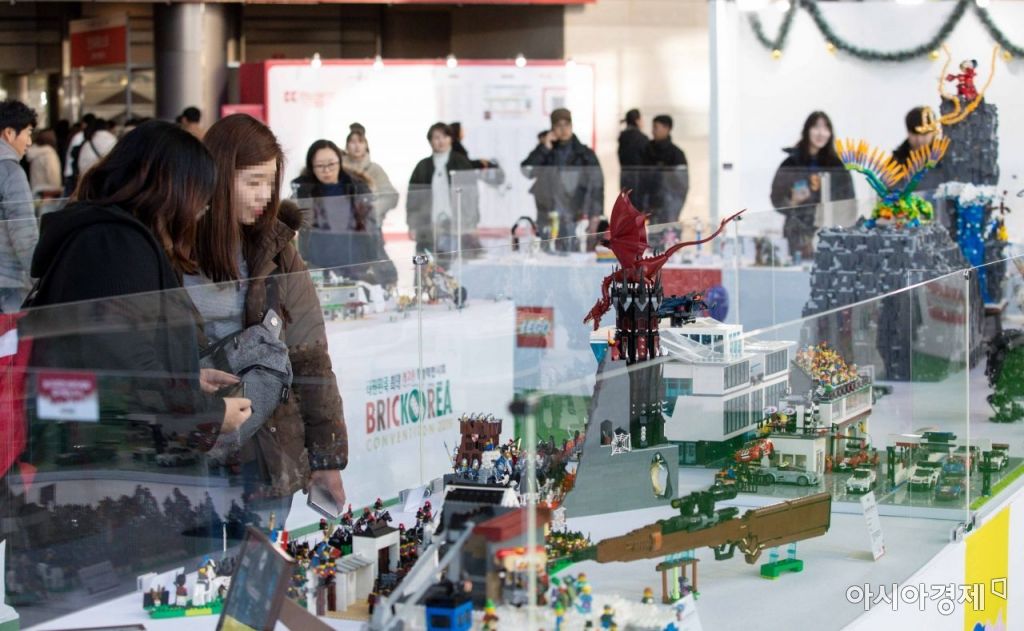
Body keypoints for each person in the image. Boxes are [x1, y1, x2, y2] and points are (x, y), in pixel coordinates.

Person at [24, 119, 251, 455]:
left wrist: (186, 377)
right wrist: (211, 415)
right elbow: (124, 368)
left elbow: (119, 349)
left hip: (102, 442)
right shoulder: (116, 245)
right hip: (110, 456)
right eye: (200, 201)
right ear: (171, 190)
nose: (199, 214)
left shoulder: (110, 237)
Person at [190, 113, 348, 519]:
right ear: (218, 177)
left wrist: (326, 457)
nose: (264, 195)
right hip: (194, 447)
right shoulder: (175, 248)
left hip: (267, 452)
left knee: (260, 554)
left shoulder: (278, 250)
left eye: (270, 182)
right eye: (253, 182)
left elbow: (309, 356)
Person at [292, 139, 384, 283]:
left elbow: (373, 229)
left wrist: (380, 266)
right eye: (320, 166)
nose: (326, 170)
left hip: (355, 265)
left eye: (331, 164)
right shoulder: (303, 191)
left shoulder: (357, 188)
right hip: (318, 267)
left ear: (339, 162)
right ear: (311, 166)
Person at [770, 111, 854, 262]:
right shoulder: (791, 163)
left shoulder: (837, 166)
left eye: (826, 128)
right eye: (816, 127)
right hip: (798, 235)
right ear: (807, 130)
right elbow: (776, 197)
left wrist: (842, 233)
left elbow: (849, 204)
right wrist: (792, 202)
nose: (821, 133)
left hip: (831, 234)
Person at [521, 108, 604, 251]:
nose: (563, 129)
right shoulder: (546, 151)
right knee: (547, 253)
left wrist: (595, 215)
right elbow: (527, 170)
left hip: (574, 214)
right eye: (558, 125)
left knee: (572, 251)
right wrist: (545, 147)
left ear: (571, 126)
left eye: (566, 124)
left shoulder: (584, 154)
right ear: (552, 128)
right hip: (547, 214)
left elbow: (597, 185)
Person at [407, 122, 480, 259]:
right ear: (430, 141)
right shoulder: (422, 166)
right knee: (426, 266)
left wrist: (472, 224)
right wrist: (412, 225)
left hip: (456, 226)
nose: (441, 141)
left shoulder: (461, 163)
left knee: (454, 266)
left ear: (451, 139)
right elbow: (413, 200)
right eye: (436, 137)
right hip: (428, 226)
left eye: (445, 137)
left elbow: (472, 197)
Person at [343, 126, 399, 285]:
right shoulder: (340, 169)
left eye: (360, 141)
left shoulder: (375, 169)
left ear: (366, 145)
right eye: (352, 141)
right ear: (346, 146)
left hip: (370, 228)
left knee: (378, 263)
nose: (356, 145)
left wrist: (373, 209)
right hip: (344, 229)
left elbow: (391, 195)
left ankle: (385, 288)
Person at [0, 99, 39, 312]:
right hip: (6, 283)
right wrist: (40, 278)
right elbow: (24, 234)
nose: (29, 142)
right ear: (9, 133)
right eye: (28, 133)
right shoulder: (11, 172)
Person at [637, 114, 689, 237]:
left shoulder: (676, 154)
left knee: (669, 240)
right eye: (653, 127)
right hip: (651, 205)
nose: (653, 131)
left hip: (669, 206)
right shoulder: (646, 151)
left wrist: (674, 208)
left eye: (656, 127)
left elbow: (682, 184)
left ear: (667, 128)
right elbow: (641, 178)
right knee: (653, 239)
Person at [25, 128, 62, 196]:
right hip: (48, 193)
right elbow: (53, 175)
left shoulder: (34, 152)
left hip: (35, 190)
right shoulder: (49, 154)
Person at [618, 108, 648, 190]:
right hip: (639, 180)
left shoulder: (622, 137)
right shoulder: (642, 138)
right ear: (637, 121)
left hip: (625, 178)